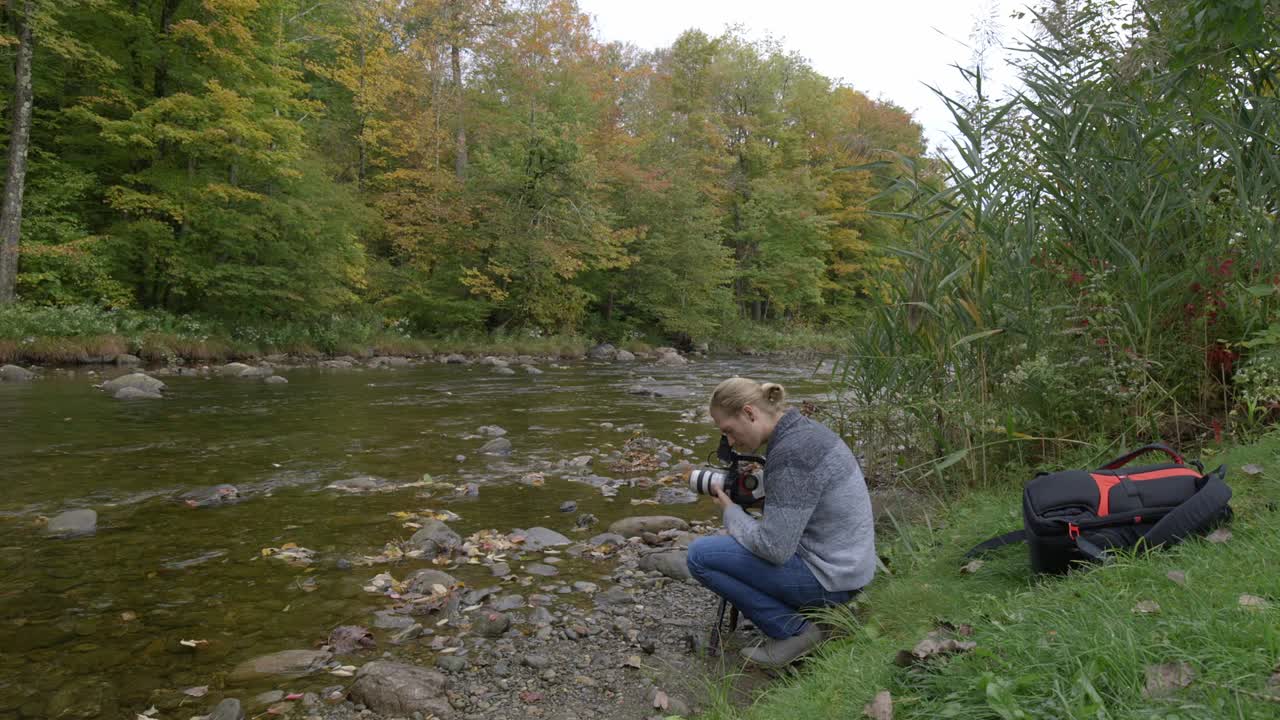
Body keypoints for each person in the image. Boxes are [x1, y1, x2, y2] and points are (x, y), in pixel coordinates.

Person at [686, 377, 876, 667]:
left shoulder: (791, 453)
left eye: (729, 431)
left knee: (701, 556)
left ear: (749, 413)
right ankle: (800, 616)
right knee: (729, 549)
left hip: (833, 580)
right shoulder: (806, 432)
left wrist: (730, 511)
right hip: (851, 567)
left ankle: (796, 633)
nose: (730, 442)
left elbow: (775, 548)